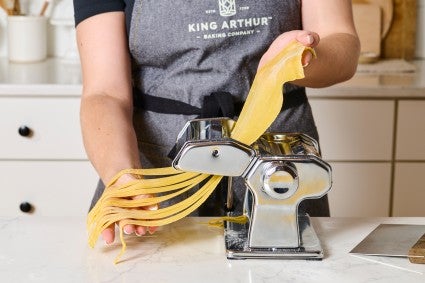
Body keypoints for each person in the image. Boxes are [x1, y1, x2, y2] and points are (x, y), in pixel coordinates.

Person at [73, 0, 360, 245]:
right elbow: (104, 93)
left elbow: (341, 43)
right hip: (155, 189)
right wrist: (124, 180)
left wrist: (300, 58)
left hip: (279, 173)